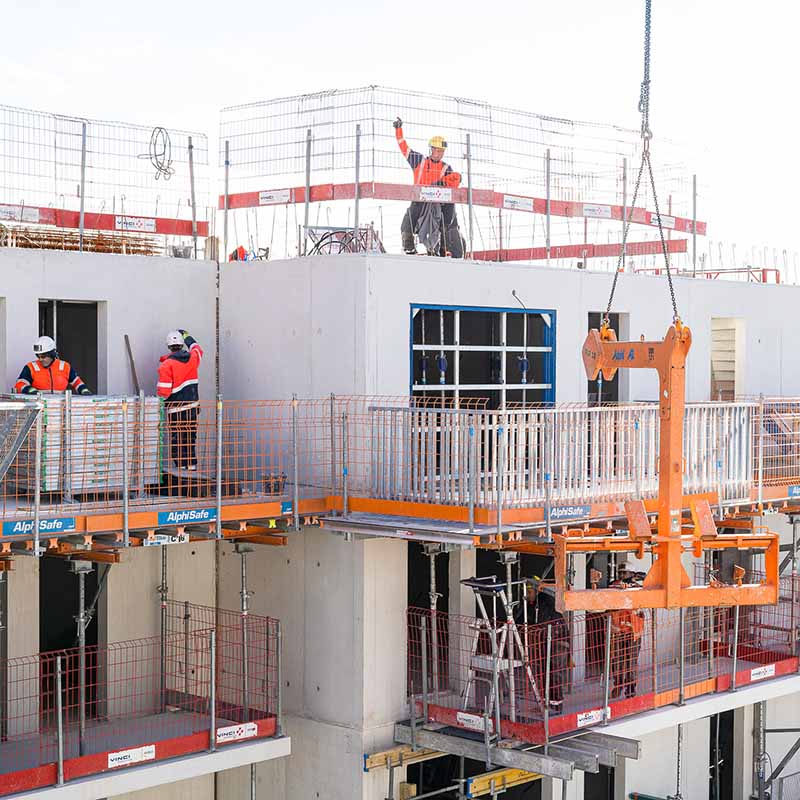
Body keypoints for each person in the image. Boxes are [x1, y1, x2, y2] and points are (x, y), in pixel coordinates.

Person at [393, 117, 464, 258]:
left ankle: (444, 248)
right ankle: (409, 248)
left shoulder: (446, 167)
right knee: (409, 218)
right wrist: (398, 130)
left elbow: (455, 181)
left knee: (449, 216)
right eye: (437, 150)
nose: (440, 153)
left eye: (442, 151)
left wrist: (443, 183)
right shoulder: (419, 161)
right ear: (431, 149)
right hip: (420, 199)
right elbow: (404, 148)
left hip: (440, 202)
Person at [157, 329, 203, 471]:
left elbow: (164, 391)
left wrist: (159, 403)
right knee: (190, 436)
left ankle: (181, 467)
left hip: (176, 408)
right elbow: (197, 348)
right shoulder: (193, 358)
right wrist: (187, 335)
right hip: (193, 406)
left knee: (178, 438)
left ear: (169, 346)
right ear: (182, 344)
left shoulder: (167, 365)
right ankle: (192, 465)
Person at [609, 566, 646, 698]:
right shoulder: (613, 586)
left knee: (631, 661)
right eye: (620, 572)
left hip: (633, 631)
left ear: (631, 573)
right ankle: (618, 685)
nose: (622, 575)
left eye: (625, 572)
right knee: (617, 660)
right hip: (618, 630)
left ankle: (631, 687)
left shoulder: (637, 588)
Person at [13, 336, 91, 395]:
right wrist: (29, 390)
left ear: (52, 354)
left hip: (60, 409)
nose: (40, 359)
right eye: (38, 356)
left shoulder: (64, 366)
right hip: (40, 408)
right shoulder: (30, 367)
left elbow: (77, 382)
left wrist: (83, 390)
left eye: (43, 356)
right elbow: (19, 384)